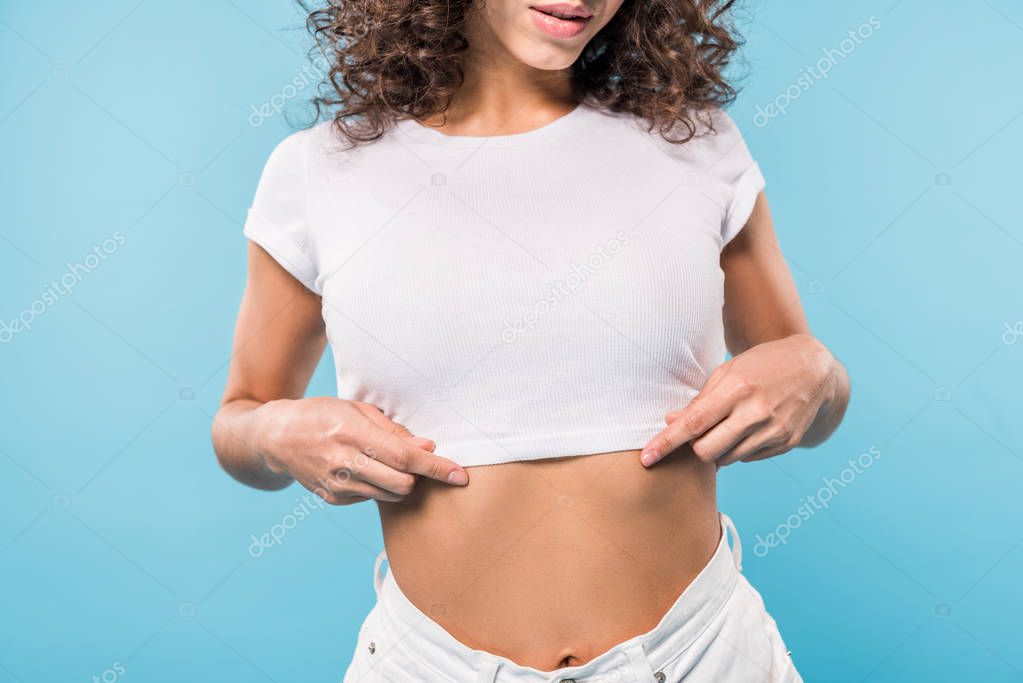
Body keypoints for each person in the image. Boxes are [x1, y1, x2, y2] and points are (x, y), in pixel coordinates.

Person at [212, 1, 850, 680]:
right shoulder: (318, 172)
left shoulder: (695, 143)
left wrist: (817, 372)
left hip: (703, 656)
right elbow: (240, 420)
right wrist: (277, 432)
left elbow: (807, 390)